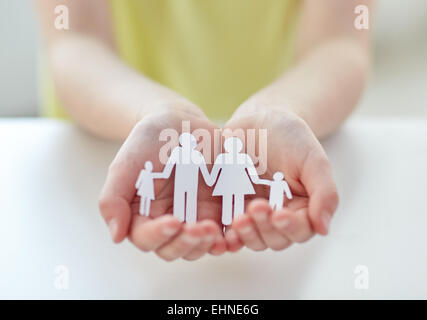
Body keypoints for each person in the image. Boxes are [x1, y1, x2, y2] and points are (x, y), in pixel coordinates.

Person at [35, 0, 372, 260]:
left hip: (286, 141)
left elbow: (338, 43)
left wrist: (281, 110)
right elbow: (75, 40)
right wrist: (152, 113)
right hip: (100, 144)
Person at [210, 137, 269, 225]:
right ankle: (230, 220)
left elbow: (252, 173)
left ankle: (235, 220)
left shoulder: (243, 157)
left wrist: (260, 181)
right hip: (232, 183)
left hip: (235, 183)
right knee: (231, 201)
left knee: (234, 201)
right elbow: (214, 173)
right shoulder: (223, 157)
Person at [158, 133, 213, 223]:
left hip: (188, 185)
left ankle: (185, 222)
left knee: (188, 206)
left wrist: (214, 181)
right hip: (185, 184)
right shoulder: (179, 152)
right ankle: (181, 222)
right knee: (184, 205)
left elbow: (206, 175)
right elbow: (167, 171)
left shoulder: (196, 154)